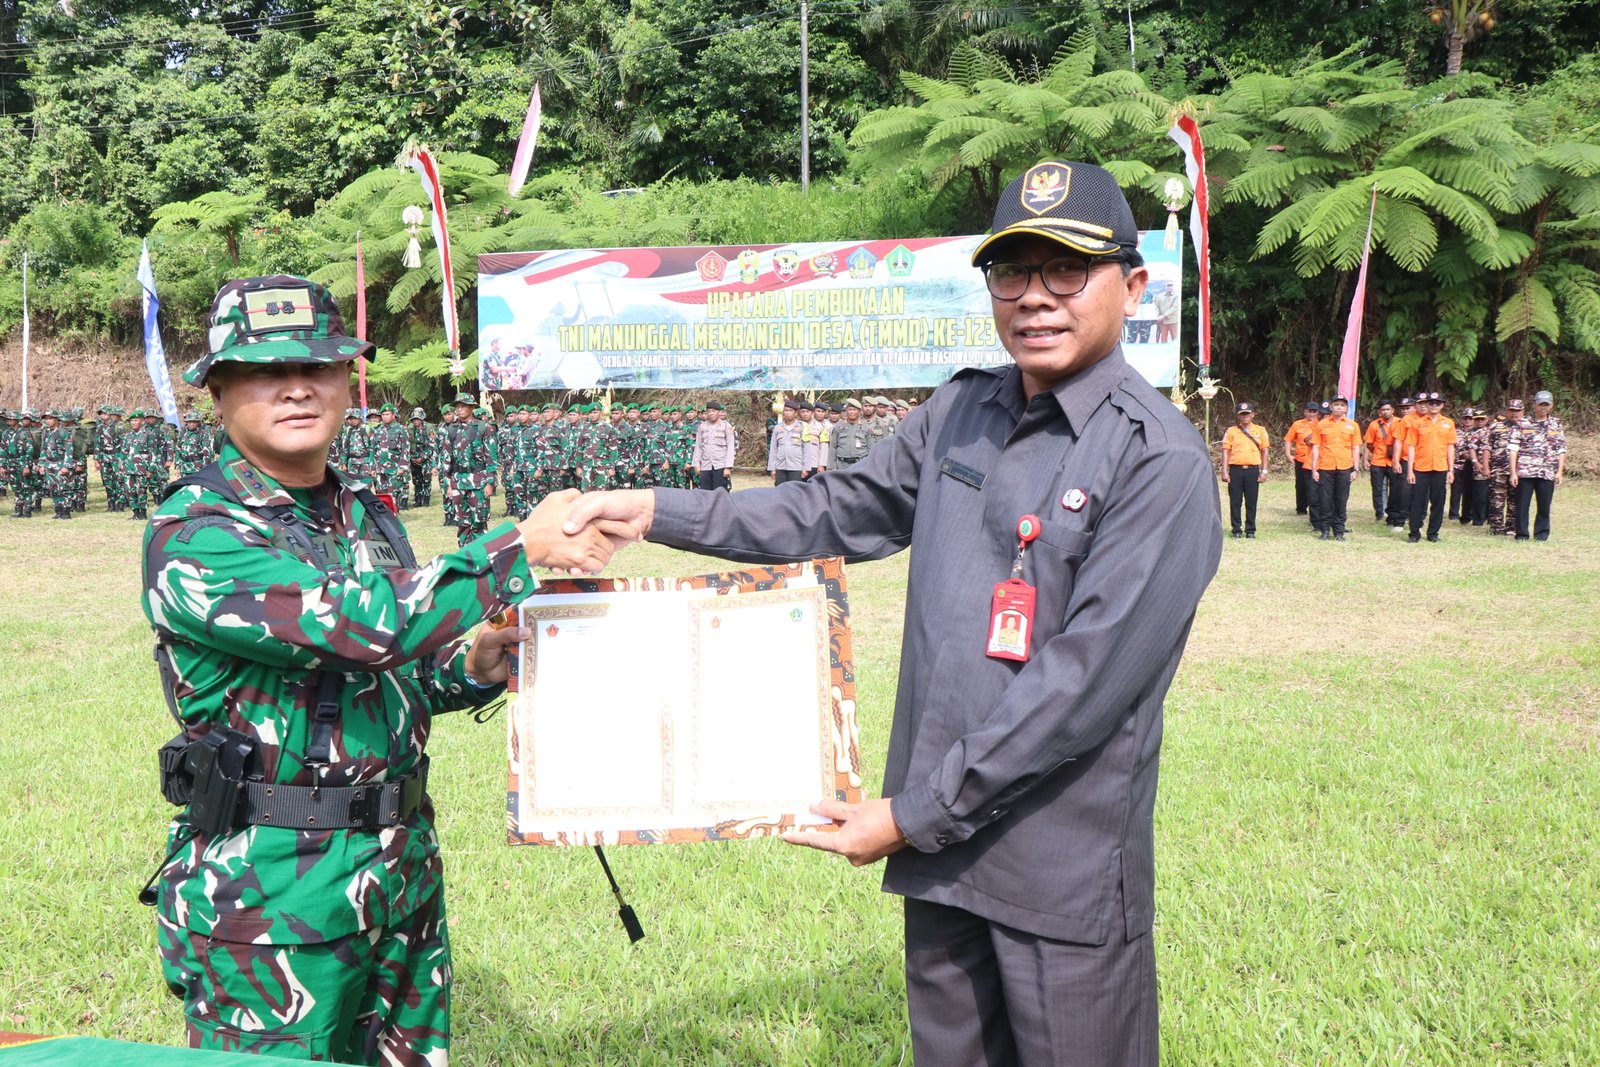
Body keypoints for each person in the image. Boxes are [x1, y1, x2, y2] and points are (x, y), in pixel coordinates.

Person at [566, 160, 1221, 1066]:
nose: (1035, 297)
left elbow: (1077, 691)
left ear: (1133, 284)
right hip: (943, 862)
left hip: (1056, 873)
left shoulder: (1160, 463)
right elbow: (825, 509)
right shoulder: (963, 411)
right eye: (1012, 271)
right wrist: (656, 510)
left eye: (1067, 269)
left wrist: (913, 813)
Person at [140, 275, 615, 1065]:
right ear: (217, 390)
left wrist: (476, 663)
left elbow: (395, 670)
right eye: (268, 371)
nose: (299, 386)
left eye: (320, 367)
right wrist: (516, 553)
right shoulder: (193, 528)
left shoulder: (361, 511)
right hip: (272, 889)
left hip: (398, 869)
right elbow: (351, 626)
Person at [1507, 390, 1565, 541]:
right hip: (1525, 471)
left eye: (1546, 405)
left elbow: (1561, 449)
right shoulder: (1522, 423)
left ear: (1551, 406)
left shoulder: (1556, 424)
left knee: (1544, 505)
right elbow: (1513, 448)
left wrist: (1559, 472)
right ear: (1534, 405)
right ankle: (1521, 534)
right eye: (1540, 404)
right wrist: (1513, 472)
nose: (1543, 408)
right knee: (1522, 505)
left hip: (1547, 472)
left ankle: (1541, 534)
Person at [1405, 391, 1455, 542]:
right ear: (1426, 404)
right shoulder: (1417, 423)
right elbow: (1411, 446)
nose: (1434, 406)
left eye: (1437, 403)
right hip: (1421, 468)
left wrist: (1450, 470)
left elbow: (1450, 447)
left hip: (1440, 468)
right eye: (1431, 403)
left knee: (1438, 502)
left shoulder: (1448, 423)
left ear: (1442, 405)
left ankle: (1433, 533)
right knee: (1417, 502)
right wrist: (1410, 470)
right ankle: (1414, 533)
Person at [1310, 396, 1361, 541]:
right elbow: (1316, 448)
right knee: (1325, 500)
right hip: (1326, 467)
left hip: (1345, 467)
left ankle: (1339, 531)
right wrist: (1315, 469)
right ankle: (1325, 529)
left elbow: (1355, 448)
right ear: (1330, 407)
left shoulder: (1352, 425)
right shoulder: (1321, 425)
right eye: (1336, 405)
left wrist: (1355, 469)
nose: (1339, 407)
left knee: (1341, 500)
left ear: (1346, 408)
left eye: (1342, 405)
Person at [1220, 401, 1269, 538]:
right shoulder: (1231, 431)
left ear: (1253, 415)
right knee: (1235, 501)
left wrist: (1264, 471)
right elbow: (1226, 451)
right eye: (1242, 414)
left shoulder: (1260, 430)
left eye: (1247, 414)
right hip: (1235, 470)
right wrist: (1224, 470)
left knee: (1251, 501)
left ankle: (1250, 530)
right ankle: (1236, 529)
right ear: (1238, 416)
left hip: (1253, 470)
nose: (1245, 416)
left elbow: (1265, 451)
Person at [1486, 399, 1523, 537]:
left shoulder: (1527, 427)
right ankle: (1496, 527)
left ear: (1523, 411)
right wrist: (1485, 466)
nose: (1514, 413)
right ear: (1507, 411)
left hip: (1520, 471)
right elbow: (1487, 447)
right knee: (1497, 500)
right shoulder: (1496, 427)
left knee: (1516, 500)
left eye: (1517, 411)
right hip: (1499, 469)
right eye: (1512, 410)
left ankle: (1512, 528)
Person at [1363, 399, 1398, 523]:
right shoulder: (1374, 425)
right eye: (1383, 409)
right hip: (1378, 461)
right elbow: (1369, 443)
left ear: (1393, 410)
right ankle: (1380, 513)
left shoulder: (1400, 423)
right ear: (1379, 412)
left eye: (1388, 409)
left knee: (1395, 488)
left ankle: (1392, 513)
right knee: (1378, 488)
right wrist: (1366, 459)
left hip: (1394, 461)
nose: (1385, 412)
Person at [1284, 401, 1318, 521]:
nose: (1312, 413)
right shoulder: (1297, 424)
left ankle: (1316, 509)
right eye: (1310, 411)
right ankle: (1301, 508)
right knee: (1301, 485)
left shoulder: (1321, 424)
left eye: (1314, 411)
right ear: (1305, 412)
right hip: (1301, 459)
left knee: (1314, 486)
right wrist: (1288, 454)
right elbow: (1288, 439)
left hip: (1316, 460)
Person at [691, 401, 735, 491]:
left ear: (719, 412)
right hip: (706, 465)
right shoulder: (702, 427)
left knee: (720, 493)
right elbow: (698, 447)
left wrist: (728, 467)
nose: (711, 413)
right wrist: (696, 464)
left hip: (720, 465)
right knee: (705, 493)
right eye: (709, 411)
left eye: (714, 411)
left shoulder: (726, 426)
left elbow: (730, 447)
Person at [768, 398, 805, 484]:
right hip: (781, 466)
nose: (787, 413)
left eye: (790, 410)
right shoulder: (778, 428)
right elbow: (773, 449)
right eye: (786, 410)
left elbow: (806, 449)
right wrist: (772, 468)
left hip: (796, 466)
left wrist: (806, 468)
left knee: (795, 492)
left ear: (796, 413)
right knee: (780, 492)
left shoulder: (802, 427)